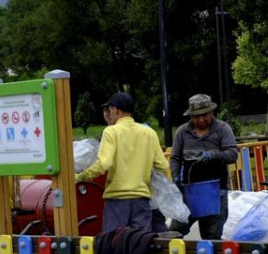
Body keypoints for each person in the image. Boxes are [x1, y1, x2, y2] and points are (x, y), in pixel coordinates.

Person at [75, 92, 169, 232]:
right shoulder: (149, 133)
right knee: (140, 244)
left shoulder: (111, 132)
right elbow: (163, 165)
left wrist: (81, 176)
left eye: (109, 110)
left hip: (117, 201)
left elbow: (104, 164)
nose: (108, 113)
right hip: (141, 201)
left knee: (114, 244)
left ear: (115, 109)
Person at [169, 94, 238, 240]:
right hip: (189, 192)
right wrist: (175, 176)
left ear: (212, 113)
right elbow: (175, 158)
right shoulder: (182, 132)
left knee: (211, 236)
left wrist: (214, 154)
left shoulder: (222, 129)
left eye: (205, 115)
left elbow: (232, 155)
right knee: (175, 231)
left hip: (215, 192)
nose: (201, 120)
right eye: (196, 117)